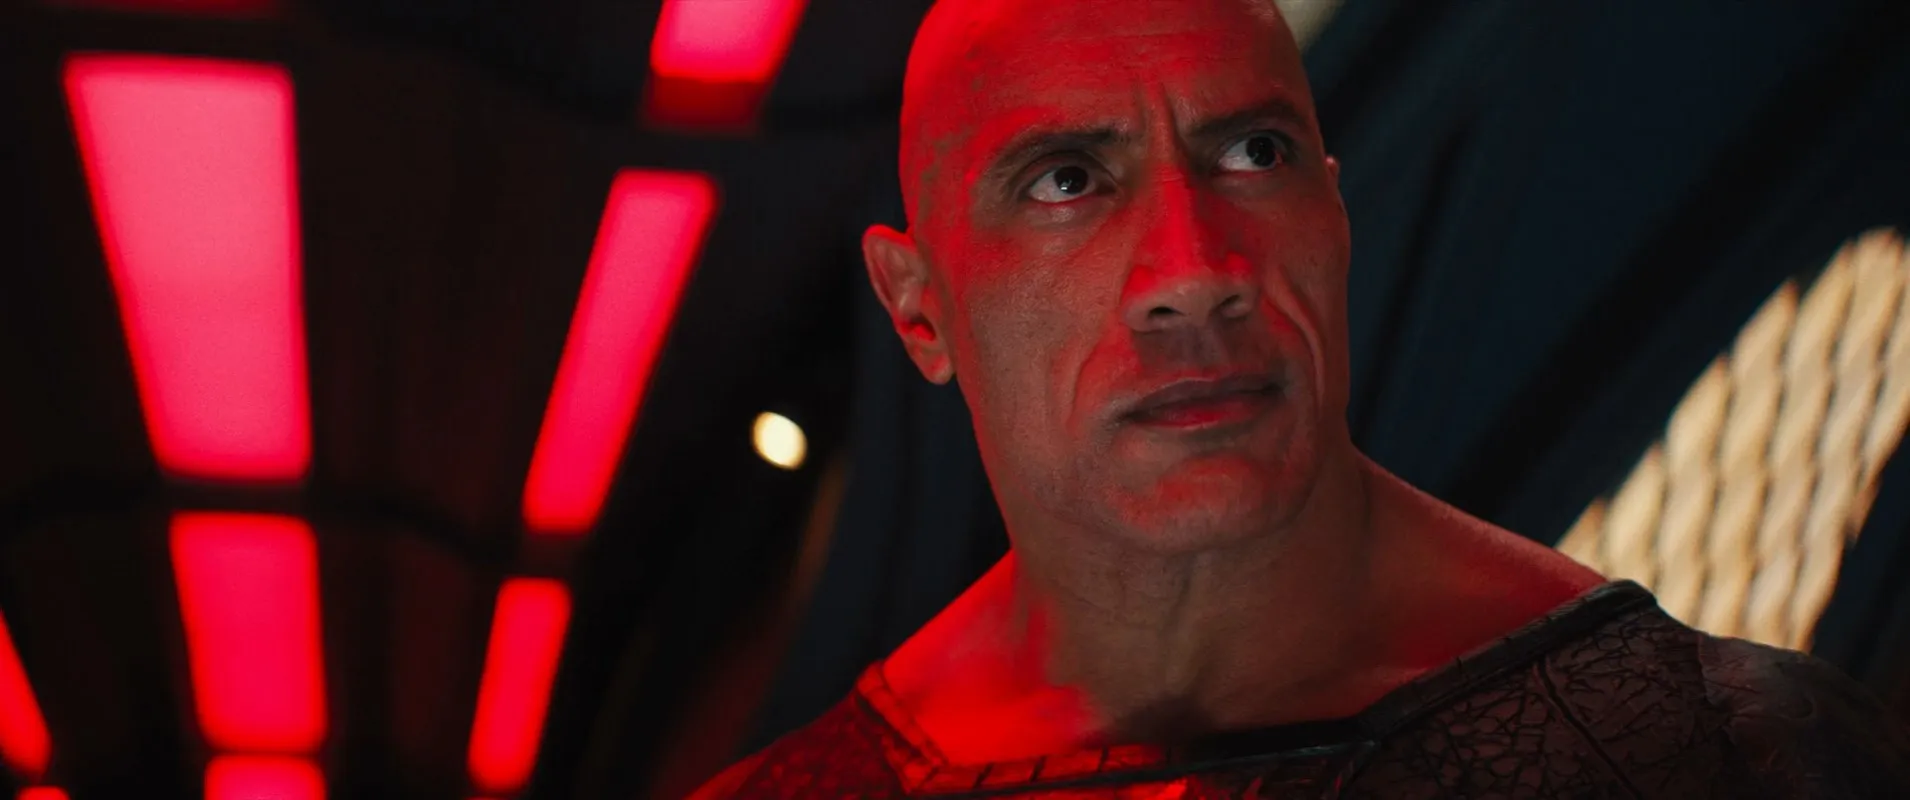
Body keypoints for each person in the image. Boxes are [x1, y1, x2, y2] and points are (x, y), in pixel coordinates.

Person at [693, 0, 1910, 796]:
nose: (1191, 270)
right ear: (919, 309)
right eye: (1065, 180)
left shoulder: (1718, 748)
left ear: (1332, 217)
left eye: (1250, 154)